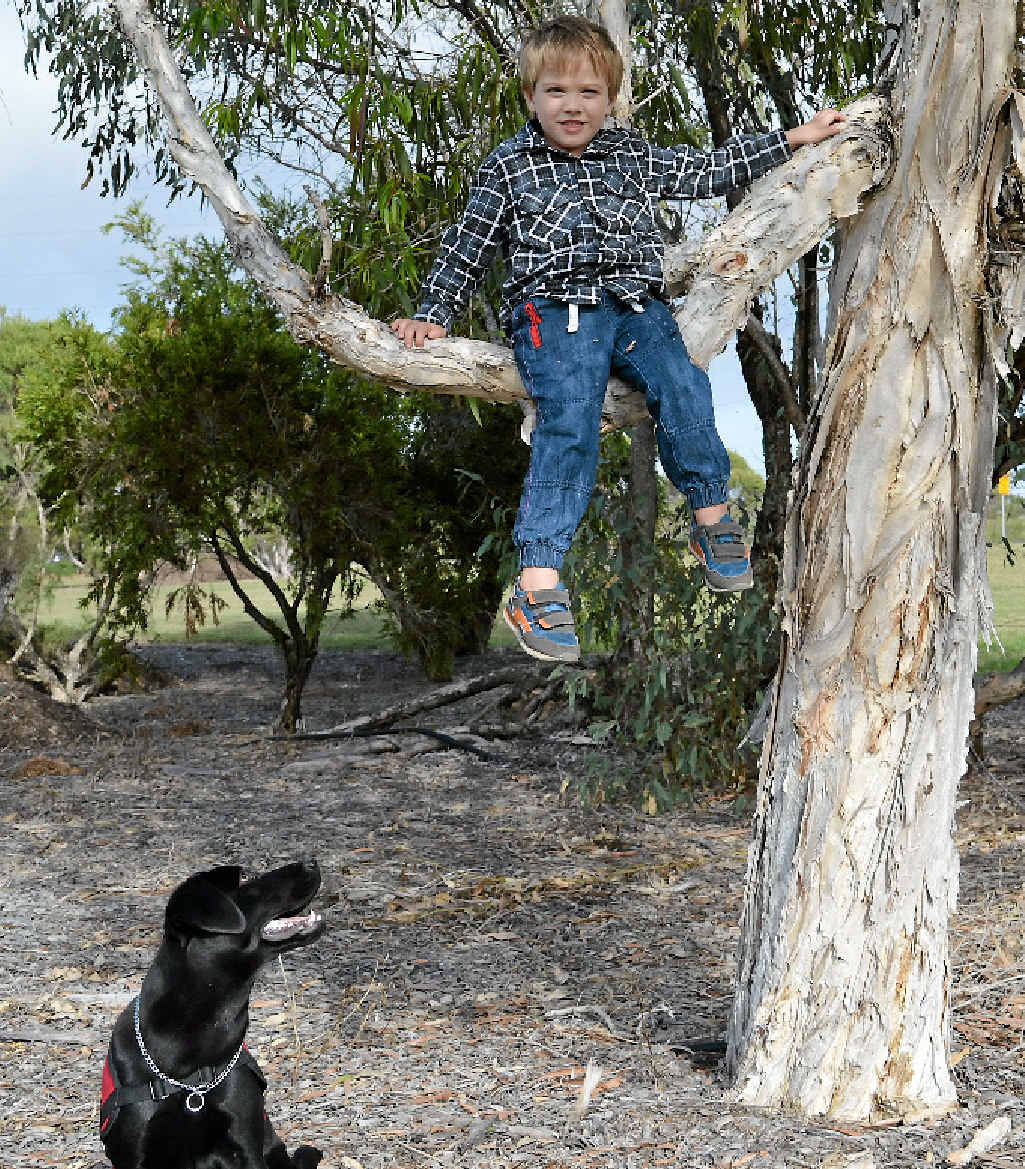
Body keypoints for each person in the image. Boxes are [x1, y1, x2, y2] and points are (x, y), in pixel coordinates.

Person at [392, 15, 846, 663]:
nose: (571, 106)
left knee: (683, 386)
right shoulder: (508, 166)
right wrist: (433, 311)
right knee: (569, 421)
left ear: (608, 98)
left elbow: (706, 169)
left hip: (637, 309)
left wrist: (790, 138)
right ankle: (537, 582)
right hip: (555, 312)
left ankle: (711, 518)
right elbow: (468, 246)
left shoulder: (629, 152)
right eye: (555, 92)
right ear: (529, 96)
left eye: (587, 93)